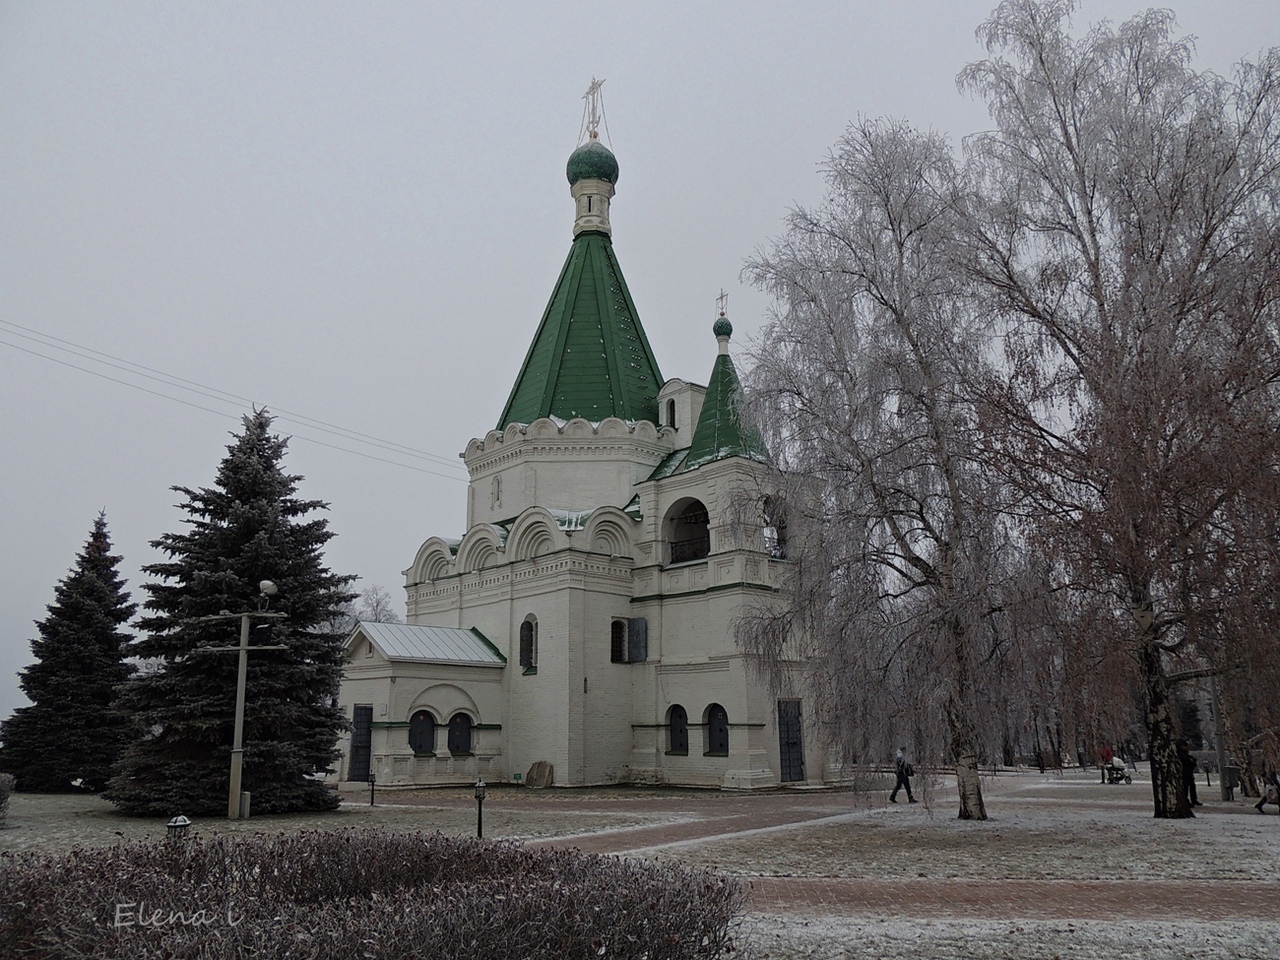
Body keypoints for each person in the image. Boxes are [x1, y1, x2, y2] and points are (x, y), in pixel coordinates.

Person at [1176, 739, 1202, 811]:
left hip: (1188, 772)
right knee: (1186, 787)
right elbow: (1186, 761)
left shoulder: (1184, 753)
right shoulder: (1181, 754)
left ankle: (1193, 799)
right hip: (1184, 772)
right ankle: (1187, 800)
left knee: (1191, 786)